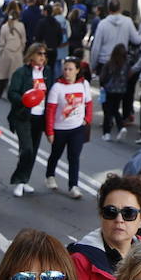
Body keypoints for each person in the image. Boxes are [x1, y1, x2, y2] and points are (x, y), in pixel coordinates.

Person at [44, 56, 92, 199]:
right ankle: (50, 175)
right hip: (60, 129)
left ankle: (73, 186)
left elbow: (88, 103)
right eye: (65, 69)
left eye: (70, 69)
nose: (67, 72)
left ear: (77, 70)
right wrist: (49, 131)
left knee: (74, 157)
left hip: (77, 129)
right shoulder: (57, 87)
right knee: (56, 154)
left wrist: (87, 119)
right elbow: (50, 110)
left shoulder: (84, 84)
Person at [7, 44, 50, 197]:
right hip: (23, 116)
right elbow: (12, 93)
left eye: (44, 54)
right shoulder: (21, 72)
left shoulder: (47, 72)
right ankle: (19, 180)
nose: (42, 57)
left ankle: (24, 180)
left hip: (40, 117)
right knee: (27, 149)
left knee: (34, 150)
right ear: (31, 55)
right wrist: (26, 100)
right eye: (39, 53)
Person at [98, 44, 130, 142]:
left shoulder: (109, 64)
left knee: (107, 111)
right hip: (121, 90)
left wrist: (102, 85)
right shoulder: (126, 64)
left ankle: (106, 133)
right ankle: (121, 127)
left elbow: (103, 77)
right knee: (116, 109)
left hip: (109, 90)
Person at [0, 4, 27, 98]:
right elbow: (24, 40)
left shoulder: (4, 27)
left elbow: (2, 41)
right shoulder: (21, 26)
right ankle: (13, 94)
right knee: (16, 75)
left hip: (6, 52)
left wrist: (1, 51)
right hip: (17, 53)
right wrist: (21, 49)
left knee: (3, 74)